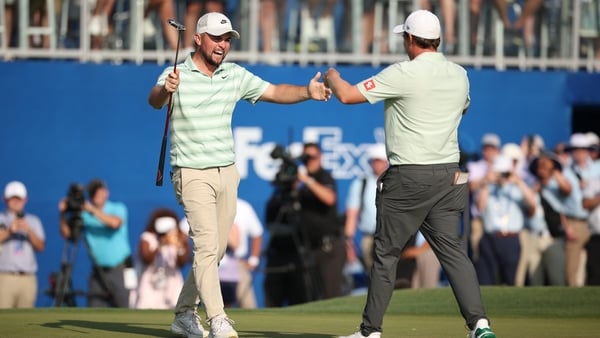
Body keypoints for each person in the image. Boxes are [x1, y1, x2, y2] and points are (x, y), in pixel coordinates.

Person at [147, 11, 331, 338]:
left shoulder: (233, 75)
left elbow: (274, 92)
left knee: (215, 252)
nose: (223, 45)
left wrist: (307, 91)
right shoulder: (176, 72)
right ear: (198, 39)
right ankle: (218, 320)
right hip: (191, 173)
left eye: (227, 39)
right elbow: (154, 101)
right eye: (217, 38)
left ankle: (184, 314)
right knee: (206, 248)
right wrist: (166, 89)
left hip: (227, 173)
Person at [324, 9, 496, 338]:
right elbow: (462, 108)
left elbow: (347, 95)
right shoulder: (459, 74)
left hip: (409, 177)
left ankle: (370, 331)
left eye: (405, 37)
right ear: (438, 40)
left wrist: (332, 75)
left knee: (386, 255)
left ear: (411, 40)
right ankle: (480, 325)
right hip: (448, 176)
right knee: (454, 254)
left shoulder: (402, 72)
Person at [58, 179, 133, 308]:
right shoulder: (84, 215)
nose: (97, 194)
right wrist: (62, 214)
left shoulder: (117, 208)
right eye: (93, 192)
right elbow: (68, 235)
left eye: (100, 191)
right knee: (95, 309)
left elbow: (114, 223)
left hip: (120, 270)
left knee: (125, 308)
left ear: (106, 193)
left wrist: (92, 210)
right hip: (98, 272)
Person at [475, 154, 536, 285]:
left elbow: (532, 203)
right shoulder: (488, 188)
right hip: (490, 238)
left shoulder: (517, 189)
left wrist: (518, 181)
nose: (501, 176)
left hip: (511, 239)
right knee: (486, 281)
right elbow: (480, 207)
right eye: (499, 173)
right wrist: (485, 182)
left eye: (504, 173)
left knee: (510, 280)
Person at [344, 143, 389, 274]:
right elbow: (352, 213)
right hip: (369, 237)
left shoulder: (395, 181)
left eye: (380, 160)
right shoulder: (361, 183)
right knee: (372, 274)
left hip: (392, 236)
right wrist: (349, 242)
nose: (377, 164)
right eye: (374, 160)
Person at [0, 181, 45, 308]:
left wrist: (29, 230)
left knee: (25, 318)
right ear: (5, 199)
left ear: (25, 200)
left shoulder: (33, 221)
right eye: (12, 199)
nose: (15, 202)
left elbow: (40, 246)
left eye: (18, 199)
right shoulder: (1, 219)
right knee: (3, 319)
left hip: (27, 277)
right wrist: (9, 230)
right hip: (5, 276)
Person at [135, 207, 190, 309]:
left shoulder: (178, 238)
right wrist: (161, 244)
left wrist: (180, 246)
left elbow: (182, 262)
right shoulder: (148, 237)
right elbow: (147, 259)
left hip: (173, 283)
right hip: (151, 283)